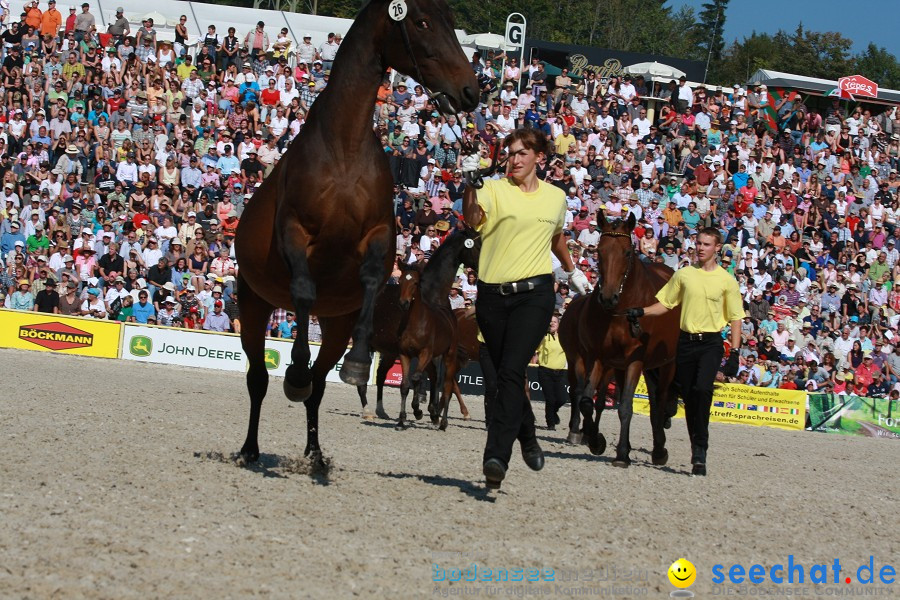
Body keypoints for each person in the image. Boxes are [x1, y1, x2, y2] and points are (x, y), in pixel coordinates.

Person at [463, 127, 590, 490]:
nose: (514, 159)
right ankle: (529, 435)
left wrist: (571, 270)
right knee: (508, 374)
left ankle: (496, 457)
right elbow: (473, 219)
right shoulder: (494, 189)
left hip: (535, 295)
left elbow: (556, 236)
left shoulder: (556, 197)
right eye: (510, 153)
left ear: (539, 158)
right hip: (492, 295)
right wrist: (471, 183)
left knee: (510, 372)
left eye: (521, 153)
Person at [625, 227, 743, 476]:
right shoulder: (683, 275)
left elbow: (735, 318)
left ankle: (701, 448)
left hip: (710, 343)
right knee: (690, 398)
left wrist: (735, 352)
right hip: (685, 342)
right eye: (698, 243)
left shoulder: (726, 281)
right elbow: (665, 304)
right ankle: (696, 451)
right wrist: (641, 312)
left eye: (706, 244)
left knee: (702, 389)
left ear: (717, 248)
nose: (700, 248)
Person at [535, 315, 567, 430]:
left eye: (554, 322)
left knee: (562, 398)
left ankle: (553, 413)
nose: (552, 324)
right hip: (545, 371)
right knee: (550, 399)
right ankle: (550, 424)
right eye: (550, 322)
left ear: (558, 325)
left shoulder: (564, 338)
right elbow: (535, 351)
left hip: (560, 372)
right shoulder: (543, 337)